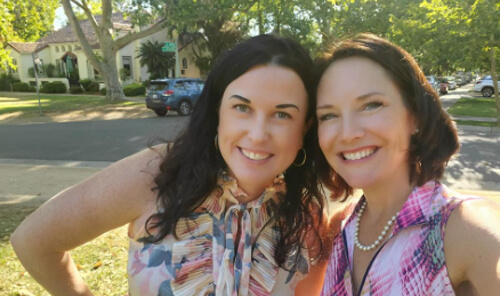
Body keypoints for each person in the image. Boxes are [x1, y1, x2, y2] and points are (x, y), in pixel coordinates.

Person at [10, 35, 328, 295]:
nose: (258, 134)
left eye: (282, 114)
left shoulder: (308, 215)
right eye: (242, 107)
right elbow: (34, 241)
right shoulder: (158, 172)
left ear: (305, 128)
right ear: (218, 112)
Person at [314, 33, 500, 295]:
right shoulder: (339, 228)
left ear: (415, 117)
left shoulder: (462, 229)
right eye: (329, 115)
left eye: (371, 105)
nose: (347, 133)